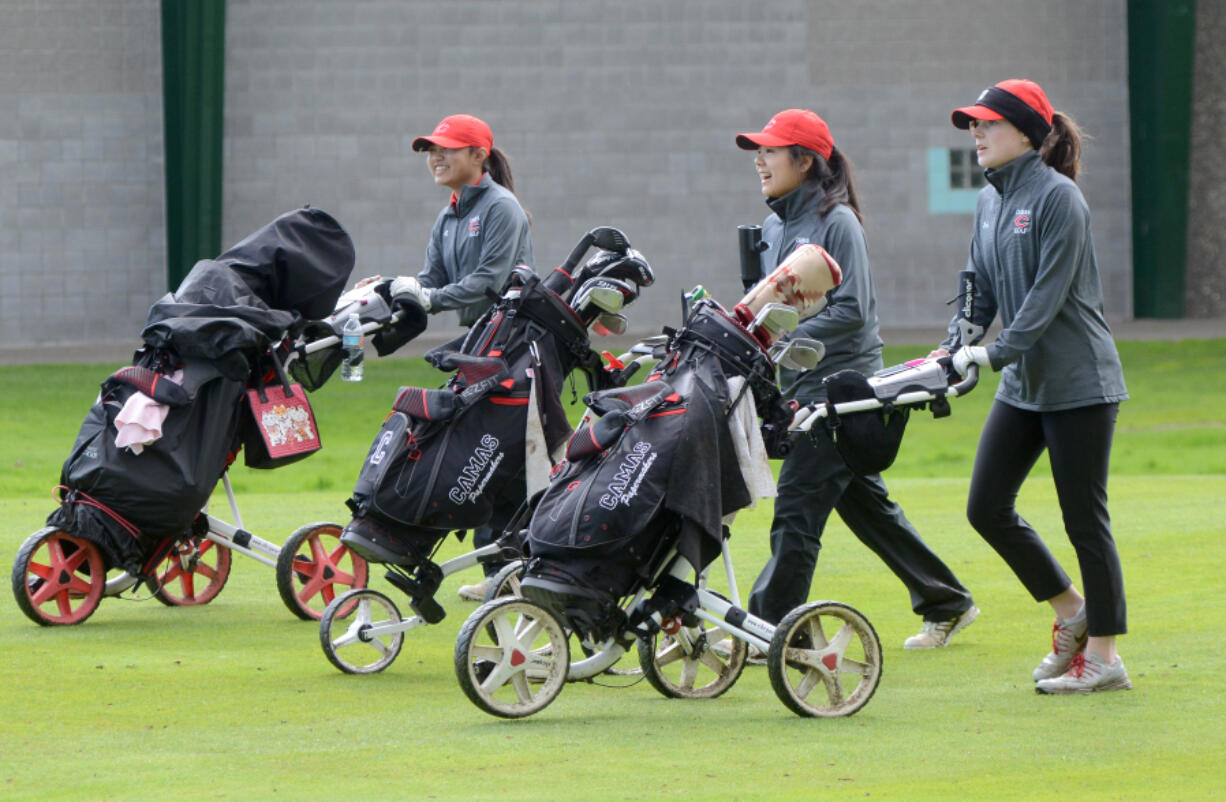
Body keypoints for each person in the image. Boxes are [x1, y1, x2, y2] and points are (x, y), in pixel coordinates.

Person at [736, 109, 979, 650]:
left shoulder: (836, 222)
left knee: (797, 504)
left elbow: (852, 310)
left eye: (771, 151)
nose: (760, 159)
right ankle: (947, 600)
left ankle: (767, 627)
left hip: (843, 389)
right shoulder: (778, 225)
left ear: (805, 161)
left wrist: (774, 335)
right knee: (867, 505)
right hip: (802, 387)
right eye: (759, 150)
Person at [935, 79, 1131, 693]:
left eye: (987, 124)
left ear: (1024, 133)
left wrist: (990, 354)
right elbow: (978, 289)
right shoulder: (989, 201)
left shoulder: (1059, 199)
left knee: (1084, 521)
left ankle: (1104, 657)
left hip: (1080, 383)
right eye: (973, 124)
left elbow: (1043, 303)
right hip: (1025, 383)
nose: (976, 133)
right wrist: (951, 347)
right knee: (986, 507)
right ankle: (1073, 613)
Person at [387, 113, 535, 601]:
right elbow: (431, 278)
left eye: (447, 148)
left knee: (503, 464)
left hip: (514, 347)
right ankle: (502, 572)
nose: (436, 156)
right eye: (432, 148)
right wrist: (396, 291)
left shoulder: (501, 208)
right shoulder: (449, 214)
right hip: (479, 346)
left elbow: (490, 283)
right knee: (489, 460)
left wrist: (429, 299)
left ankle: (510, 573)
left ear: (479, 156)